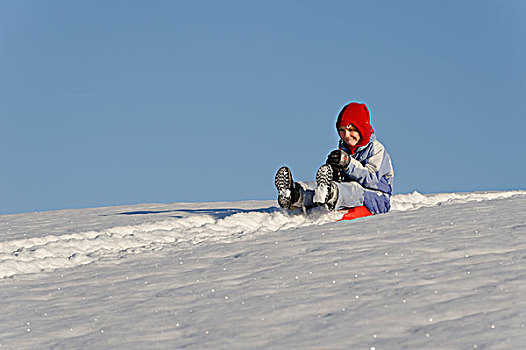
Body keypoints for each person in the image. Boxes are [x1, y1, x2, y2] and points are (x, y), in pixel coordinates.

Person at [274, 102, 394, 214]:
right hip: (347, 193)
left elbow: (373, 180)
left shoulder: (376, 149)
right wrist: (333, 170)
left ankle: (331, 193)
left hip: (377, 198)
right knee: (321, 188)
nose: (346, 135)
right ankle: (295, 194)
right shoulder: (344, 149)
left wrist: (348, 164)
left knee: (353, 189)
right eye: (342, 130)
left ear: (361, 129)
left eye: (351, 130)